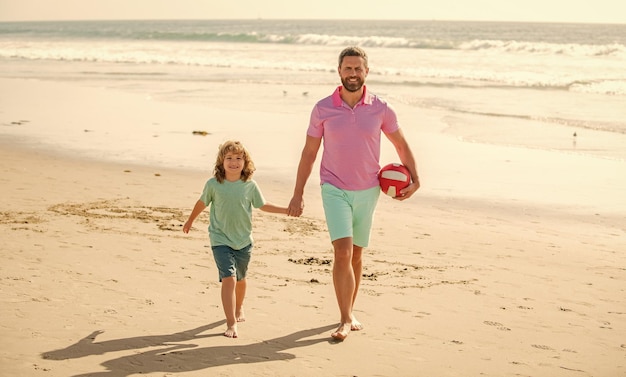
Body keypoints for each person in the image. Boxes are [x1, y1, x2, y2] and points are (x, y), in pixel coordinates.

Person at [287, 46, 420, 341]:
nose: (353, 73)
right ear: (339, 71)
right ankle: (345, 319)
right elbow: (309, 153)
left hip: (368, 190)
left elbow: (401, 145)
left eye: (358, 68)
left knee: (357, 254)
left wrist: (416, 178)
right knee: (343, 252)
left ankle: (350, 310)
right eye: (348, 68)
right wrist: (298, 194)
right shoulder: (323, 108)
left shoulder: (381, 108)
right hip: (334, 188)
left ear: (367, 72)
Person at [183, 140, 288, 338]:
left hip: (243, 241)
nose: (234, 162)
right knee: (228, 278)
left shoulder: (250, 185)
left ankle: (239, 308)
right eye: (229, 158)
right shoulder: (214, 184)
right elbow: (201, 202)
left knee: (240, 278)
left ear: (245, 162)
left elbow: (262, 205)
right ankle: (231, 323)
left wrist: (286, 210)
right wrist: (190, 220)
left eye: (238, 158)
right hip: (220, 239)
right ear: (221, 162)